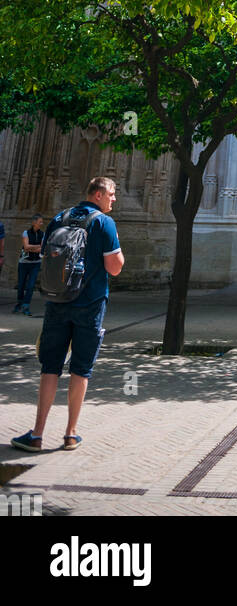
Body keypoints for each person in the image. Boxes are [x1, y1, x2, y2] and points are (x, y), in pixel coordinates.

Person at [11, 178, 123, 453]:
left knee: (50, 367)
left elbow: (48, 255)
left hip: (57, 301)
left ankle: (36, 434)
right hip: (91, 304)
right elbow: (115, 268)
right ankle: (71, 434)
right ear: (97, 194)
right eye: (111, 194)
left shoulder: (60, 217)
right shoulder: (104, 223)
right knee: (81, 369)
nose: (114, 199)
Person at [14, 214, 44, 315]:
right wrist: (37, 246)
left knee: (31, 286)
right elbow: (26, 247)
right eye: (40, 222)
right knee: (21, 284)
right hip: (24, 263)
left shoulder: (42, 234)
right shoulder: (25, 233)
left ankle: (26, 305)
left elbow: (42, 249)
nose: (41, 223)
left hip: (35, 263)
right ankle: (19, 303)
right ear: (34, 222)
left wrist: (33, 248)